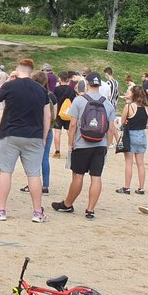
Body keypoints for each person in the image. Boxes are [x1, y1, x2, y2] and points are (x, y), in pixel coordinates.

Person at [0, 59, 49, 223]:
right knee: (34, 174)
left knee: (6, 171)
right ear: (32, 72)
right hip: (34, 135)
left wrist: (8, 80)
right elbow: (46, 115)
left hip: (10, 133)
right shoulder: (41, 90)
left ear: (17, 70)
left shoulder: (10, 85)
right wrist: (43, 136)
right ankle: (37, 212)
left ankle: (1, 209)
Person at [52, 74, 117, 220]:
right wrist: (107, 145)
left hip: (82, 144)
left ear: (87, 84)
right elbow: (111, 128)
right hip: (100, 144)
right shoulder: (108, 104)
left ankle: (68, 204)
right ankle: (90, 209)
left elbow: (73, 124)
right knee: (96, 177)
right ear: (99, 85)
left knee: (78, 175)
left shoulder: (79, 101)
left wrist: (70, 143)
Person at [116, 86, 148, 196]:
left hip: (130, 135)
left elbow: (122, 121)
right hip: (142, 135)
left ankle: (127, 187)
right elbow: (146, 122)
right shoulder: (146, 107)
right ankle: (141, 188)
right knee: (140, 163)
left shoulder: (129, 106)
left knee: (129, 163)